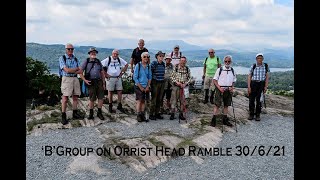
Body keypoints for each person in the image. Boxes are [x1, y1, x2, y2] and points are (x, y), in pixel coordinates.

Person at [78, 47, 106, 120]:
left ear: (96, 53)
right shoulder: (86, 61)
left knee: (101, 97)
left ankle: (99, 113)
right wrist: (85, 80)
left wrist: (103, 83)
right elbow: (80, 72)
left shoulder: (98, 61)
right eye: (92, 52)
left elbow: (102, 72)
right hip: (91, 82)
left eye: (94, 52)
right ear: (89, 53)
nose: (93, 53)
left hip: (99, 81)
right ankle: (91, 113)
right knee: (92, 98)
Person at [59, 43, 83, 125]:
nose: (70, 50)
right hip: (66, 79)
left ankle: (75, 113)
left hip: (75, 78)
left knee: (75, 97)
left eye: (72, 49)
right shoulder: (62, 58)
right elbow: (67, 70)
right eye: (69, 49)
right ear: (66, 49)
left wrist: (73, 70)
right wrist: (75, 69)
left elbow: (80, 70)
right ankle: (63, 116)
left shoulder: (75, 59)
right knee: (65, 98)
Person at [211, 55, 236, 127]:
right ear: (224, 61)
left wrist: (232, 87)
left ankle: (225, 119)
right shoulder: (220, 69)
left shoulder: (232, 70)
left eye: (229, 61)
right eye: (226, 61)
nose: (227, 62)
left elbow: (234, 80)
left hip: (228, 89)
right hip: (220, 89)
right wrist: (219, 88)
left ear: (231, 62)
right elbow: (215, 80)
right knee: (217, 104)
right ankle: (213, 119)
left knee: (226, 105)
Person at [247, 53, 270, 121]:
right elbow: (249, 76)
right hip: (253, 83)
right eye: (258, 58)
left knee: (259, 100)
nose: (259, 59)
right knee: (251, 100)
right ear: (256, 59)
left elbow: (267, 77)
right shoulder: (253, 66)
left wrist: (266, 86)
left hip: (261, 84)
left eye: (261, 58)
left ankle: (257, 115)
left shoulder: (265, 66)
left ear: (263, 59)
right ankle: (251, 114)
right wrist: (249, 87)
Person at [170, 56, 191, 120]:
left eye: (184, 61)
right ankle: (172, 114)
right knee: (174, 100)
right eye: (181, 61)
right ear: (179, 61)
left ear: (186, 62)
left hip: (184, 87)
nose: (183, 62)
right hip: (176, 86)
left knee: (183, 101)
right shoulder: (176, 68)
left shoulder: (187, 69)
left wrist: (185, 83)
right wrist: (177, 82)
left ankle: (181, 114)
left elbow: (189, 78)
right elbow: (172, 77)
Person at [133, 52, 152, 122]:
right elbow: (135, 77)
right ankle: (138, 115)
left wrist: (147, 86)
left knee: (144, 101)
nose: (146, 58)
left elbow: (150, 77)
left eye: (147, 57)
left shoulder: (148, 66)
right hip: (138, 86)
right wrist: (140, 87)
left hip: (146, 86)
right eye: (144, 57)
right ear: (141, 58)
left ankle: (142, 114)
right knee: (139, 101)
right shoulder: (138, 65)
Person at [149, 51, 166, 120]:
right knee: (154, 98)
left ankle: (157, 113)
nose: (161, 57)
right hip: (155, 82)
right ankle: (151, 114)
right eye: (160, 56)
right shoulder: (154, 63)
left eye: (162, 56)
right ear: (157, 57)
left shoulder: (163, 64)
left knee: (160, 99)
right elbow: (150, 72)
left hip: (162, 82)